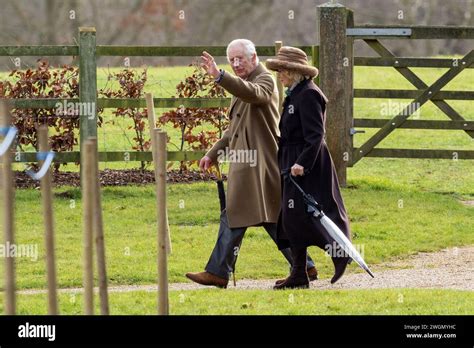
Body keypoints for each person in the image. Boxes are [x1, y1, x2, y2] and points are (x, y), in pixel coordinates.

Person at [185, 39, 317, 288]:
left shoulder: (264, 80)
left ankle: (218, 272)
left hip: (259, 163)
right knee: (271, 218)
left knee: (235, 213)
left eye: (240, 59)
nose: (235, 64)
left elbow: (254, 95)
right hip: (247, 163)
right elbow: (234, 127)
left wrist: (219, 76)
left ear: (254, 57)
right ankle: (305, 266)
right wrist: (213, 153)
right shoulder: (243, 85)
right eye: (231, 60)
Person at [266, 46, 352, 289]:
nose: (279, 75)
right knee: (293, 218)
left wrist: (301, 164)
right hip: (291, 160)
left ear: (294, 71)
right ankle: (299, 274)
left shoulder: (309, 94)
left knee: (317, 213)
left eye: (283, 70)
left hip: (308, 164)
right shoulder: (295, 93)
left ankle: (340, 254)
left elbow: (316, 136)